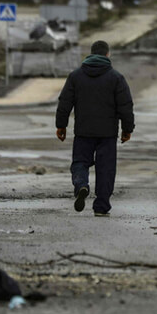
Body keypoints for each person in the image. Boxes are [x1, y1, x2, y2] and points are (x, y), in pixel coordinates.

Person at [56, 40, 135, 217]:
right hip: (107, 133)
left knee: (80, 162)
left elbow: (64, 103)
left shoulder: (75, 76)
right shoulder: (116, 78)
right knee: (106, 168)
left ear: (91, 54)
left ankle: (81, 185)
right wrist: (127, 129)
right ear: (107, 55)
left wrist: (61, 125)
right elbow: (125, 106)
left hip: (83, 131)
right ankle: (101, 206)